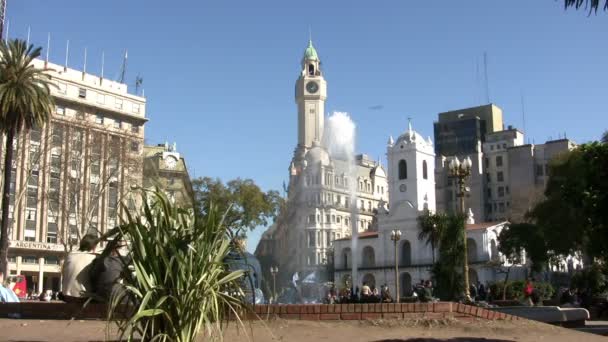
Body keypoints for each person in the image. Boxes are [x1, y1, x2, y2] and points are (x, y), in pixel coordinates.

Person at [61, 234, 99, 302]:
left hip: (67, 296)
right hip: (83, 298)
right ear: (94, 247)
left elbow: (64, 276)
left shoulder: (69, 256)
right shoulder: (93, 258)